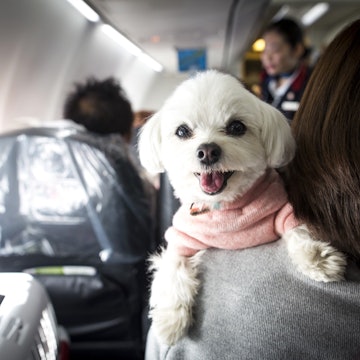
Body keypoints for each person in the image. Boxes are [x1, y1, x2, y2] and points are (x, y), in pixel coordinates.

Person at [145, 19, 360, 359]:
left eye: (234, 128)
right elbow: (178, 252)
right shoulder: (189, 226)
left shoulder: (278, 199)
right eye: (185, 133)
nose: (207, 149)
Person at [260, 17, 312, 121]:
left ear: (297, 49)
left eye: (274, 49)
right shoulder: (266, 82)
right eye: (265, 49)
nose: (267, 57)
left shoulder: (312, 83)